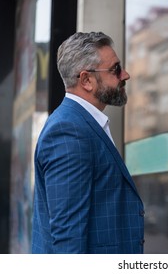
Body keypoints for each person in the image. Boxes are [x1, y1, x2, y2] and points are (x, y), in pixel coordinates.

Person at [31, 32, 144, 254]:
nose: (126, 75)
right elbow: (67, 239)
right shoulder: (68, 132)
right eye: (116, 69)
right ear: (86, 80)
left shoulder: (80, 124)